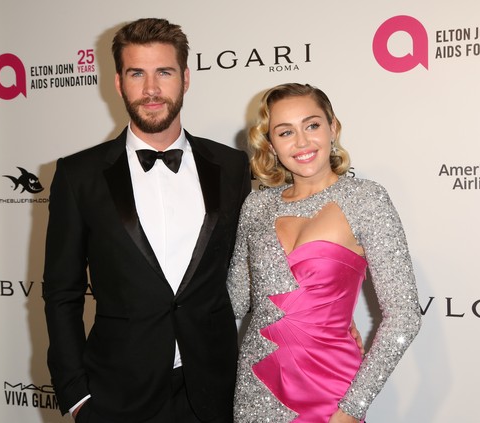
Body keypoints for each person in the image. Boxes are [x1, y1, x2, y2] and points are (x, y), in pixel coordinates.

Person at [42, 18, 252, 423]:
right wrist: (76, 394)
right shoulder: (78, 175)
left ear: (186, 78)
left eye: (164, 72)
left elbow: (256, 263)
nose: (151, 89)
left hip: (213, 392)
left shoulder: (232, 166)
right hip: (116, 396)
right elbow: (61, 292)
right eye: (137, 73)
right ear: (119, 82)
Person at [227, 83, 422, 423]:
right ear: (271, 144)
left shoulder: (366, 200)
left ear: (333, 128)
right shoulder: (256, 205)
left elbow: (404, 316)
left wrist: (352, 408)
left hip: (333, 394)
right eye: (285, 132)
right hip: (256, 389)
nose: (302, 142)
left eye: (312, 125)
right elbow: (233, 300)